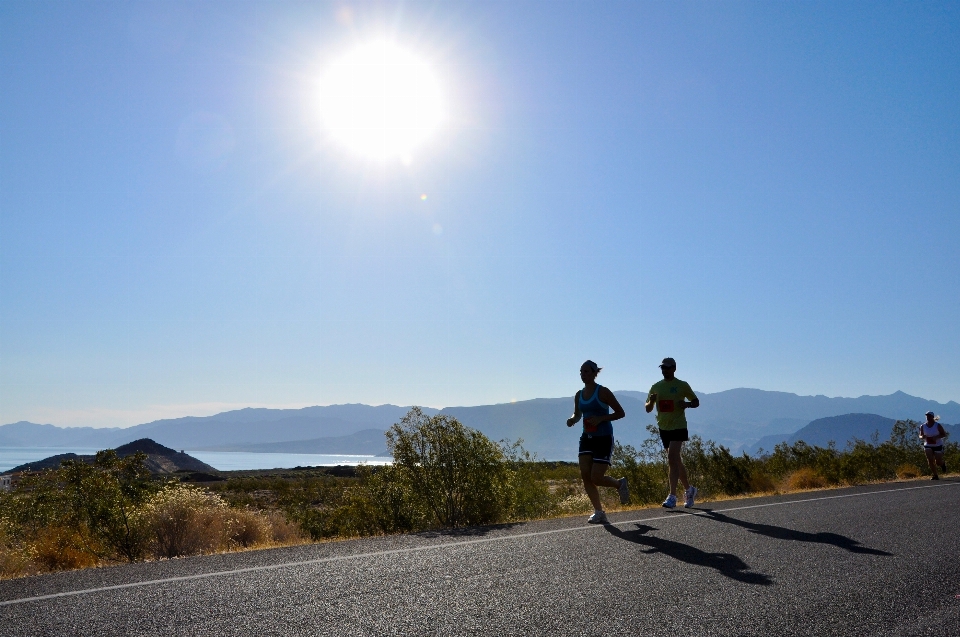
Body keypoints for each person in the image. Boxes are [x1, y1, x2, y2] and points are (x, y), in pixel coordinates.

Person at [566, 360, 629, 524]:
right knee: (585, 476)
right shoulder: (579, 395)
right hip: (586, 438)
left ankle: (619, 484)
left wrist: (601, 418)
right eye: (581, 372)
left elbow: (620, 412)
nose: (583, 374)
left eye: (587, 371)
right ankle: (599, 511)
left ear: (595, 373)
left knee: (596, 477)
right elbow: (577, 414)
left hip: (603, 438)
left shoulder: (603, 392)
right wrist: (572, 420)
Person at [645, 357, 699, 508]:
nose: (665, 370)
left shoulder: (682, 385)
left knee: (671, 459)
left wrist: (687, 404)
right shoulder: (656, 387)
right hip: (664, 427)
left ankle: (672, 496)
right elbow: (648, 408)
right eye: (663, 368)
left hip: (679, 426)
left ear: (674, 368)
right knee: (676, 460)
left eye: (668, 368)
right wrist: (651, 401)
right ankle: (689, 489)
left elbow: (696, 402)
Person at [919, 411, 948, 480]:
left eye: (929, 416)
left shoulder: (937, 425)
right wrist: (922, 437)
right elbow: (920, 435)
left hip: (938, 445)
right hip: (928, 444)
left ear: (932, 417)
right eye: (927, 416)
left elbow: (943, 434)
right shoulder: (923, 426)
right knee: (930, 460)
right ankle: (935, 475)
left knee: (938, 462)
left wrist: (936, 437)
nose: (928, 417)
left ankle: (942, 464)